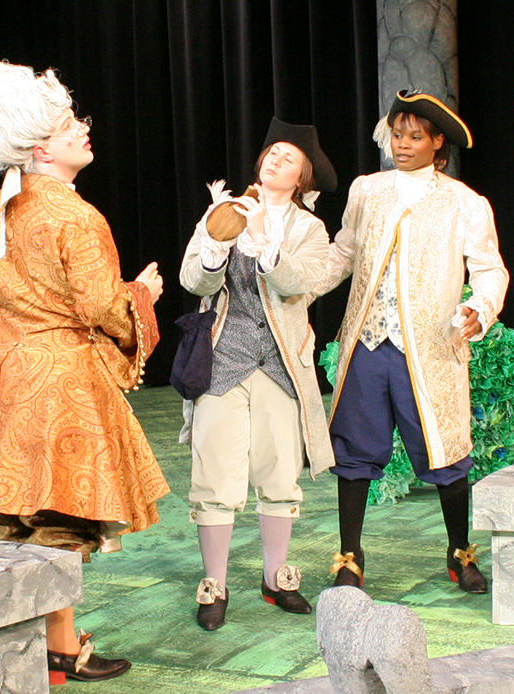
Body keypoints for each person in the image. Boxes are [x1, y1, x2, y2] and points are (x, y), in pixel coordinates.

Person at [0, 58, 167, 683]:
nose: (84, 127)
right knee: (59, 524)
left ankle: (34, 647)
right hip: (59, 382)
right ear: (37, 146)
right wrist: (141, 296)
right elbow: (100, 305)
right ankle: (47, 652)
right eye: (68, 123)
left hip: (3, 376)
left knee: (13, 522)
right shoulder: (77, 217)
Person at [323, 90, 504, 595]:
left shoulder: (465, 202)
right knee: (354, 452)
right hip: (368, 341)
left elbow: (490, 270)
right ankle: (350, 558)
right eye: (397, 135)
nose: (402, 145)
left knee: (444, 453)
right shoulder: (367, 189)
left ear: (436, 142)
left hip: (427, 346)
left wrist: (478, 309)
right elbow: (345, 252)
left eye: (414, 136)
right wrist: (299, 279)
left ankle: (459, 551)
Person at [178, 119, 342, 630]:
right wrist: (215, 246)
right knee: (216, 478)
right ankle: (215, 584)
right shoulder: (222, 211)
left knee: (278, 477)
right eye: (272, 151)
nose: (275, 160)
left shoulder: (309, 229)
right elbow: (191, 279)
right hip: (223, 361)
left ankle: (276, 579)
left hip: (280, 365)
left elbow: (304, 285)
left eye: (288, 158)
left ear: (301, 178)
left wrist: (265, 245)